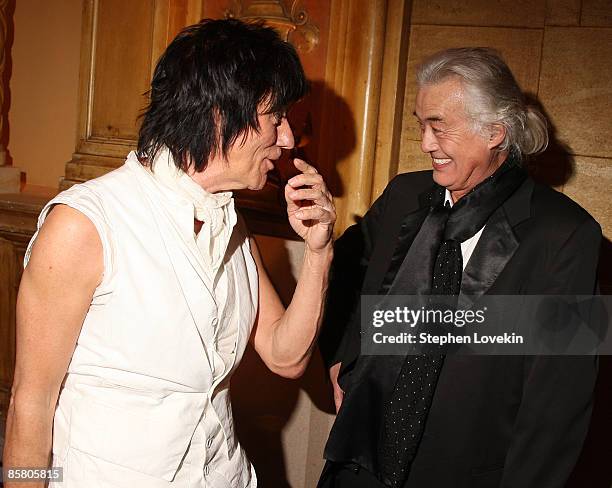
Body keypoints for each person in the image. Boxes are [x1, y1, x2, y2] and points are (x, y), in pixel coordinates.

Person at [3, 19, 335, 488]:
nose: (286, 138)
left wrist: (319, 254)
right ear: (222, 113)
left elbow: (286, 356)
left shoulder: (228, 219)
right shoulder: (85, 225)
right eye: (275, 117)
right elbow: (30, 403)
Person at [319, 48, 601, 488]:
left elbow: (557, 407)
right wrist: (344, 356)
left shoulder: (568, 235)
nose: (426, 142)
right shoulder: (403, 196)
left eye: (439, 126)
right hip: (358, 464)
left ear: (495, 131)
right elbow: (344, 273)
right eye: (421, 124)